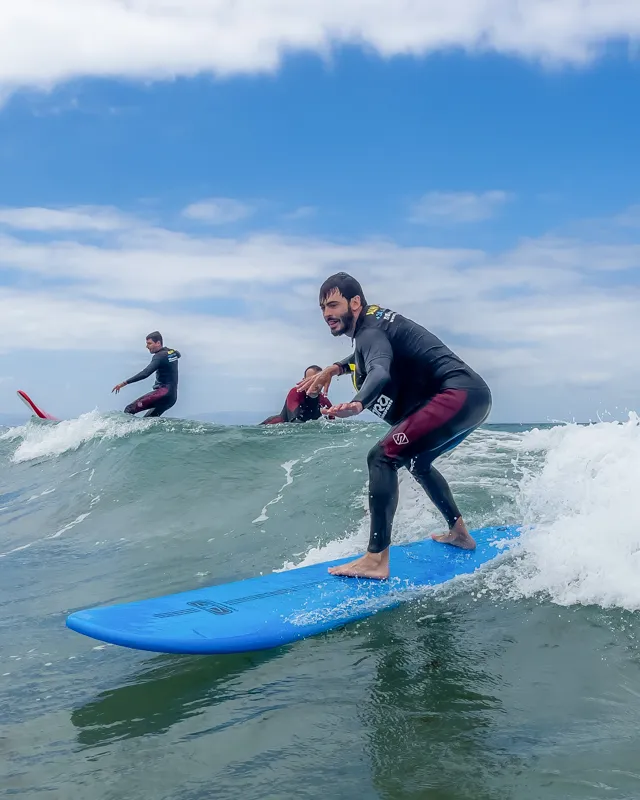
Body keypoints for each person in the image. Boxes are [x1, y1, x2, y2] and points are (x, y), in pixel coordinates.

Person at [298, 272, 492, 580]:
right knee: (417, 462)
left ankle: (376, 559)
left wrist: (359, 402)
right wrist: (334, 369)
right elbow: (364, 356)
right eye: (322, 308)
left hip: (455, 395)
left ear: (355, 302)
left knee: (382, 457)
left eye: (333, 305)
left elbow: (378, 370)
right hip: (474, 397)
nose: (327, 314)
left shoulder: (369, 333)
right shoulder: (375, 324)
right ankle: (460, 534)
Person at [112, 331, 181, 418]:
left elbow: (145, 373)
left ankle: (122, 431)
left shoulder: (159, 356)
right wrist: (169, 351)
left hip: (162, 393)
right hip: (172, 397)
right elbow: (178, 354)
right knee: (148, 420)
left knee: (129, 409)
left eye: (149, 343)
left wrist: (124, 383)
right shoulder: (172, 353)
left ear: (158, 343)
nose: (147, 346)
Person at [261, 365, 333, 425]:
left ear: (324, 382)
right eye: (310, 380)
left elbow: (332, 425)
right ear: (303, 381)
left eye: (319, 381)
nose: (315, 384)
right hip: (274, 425)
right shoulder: (296, 393)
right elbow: (294, 421)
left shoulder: (324, 401)